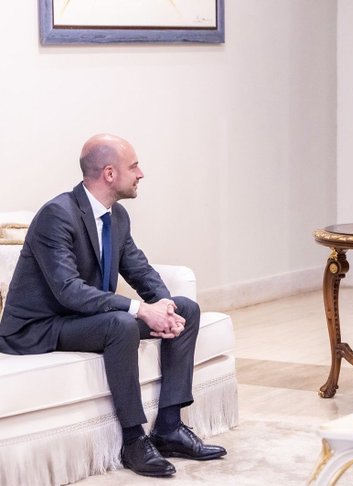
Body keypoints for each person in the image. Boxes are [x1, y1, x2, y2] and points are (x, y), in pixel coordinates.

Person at [0, 134, 226, 477]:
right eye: (134, 166)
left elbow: (139, 269)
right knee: (120, 324)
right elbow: (69, 291)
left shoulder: (116, 216)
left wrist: (164, 306)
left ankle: (169, 428)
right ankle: (134, 441)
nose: (141, 174)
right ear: (109, 173)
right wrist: (140, 309)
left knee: (186, 309)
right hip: (40, 326)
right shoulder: (56, 215)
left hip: (82, 318)